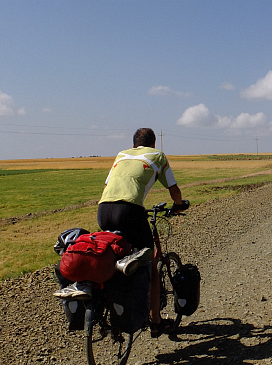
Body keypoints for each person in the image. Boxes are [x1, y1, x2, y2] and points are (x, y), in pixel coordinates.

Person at [56, 128, 188, 338]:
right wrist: (179, 205)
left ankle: (106, 301)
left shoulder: (121, 154)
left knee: (113, 251)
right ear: (153, 144)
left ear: (134, 144)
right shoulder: (158, 156)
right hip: (130, 212)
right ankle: (155, 322)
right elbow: (174, 189)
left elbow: (108, 184)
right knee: (149, 264)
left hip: (104, 210)